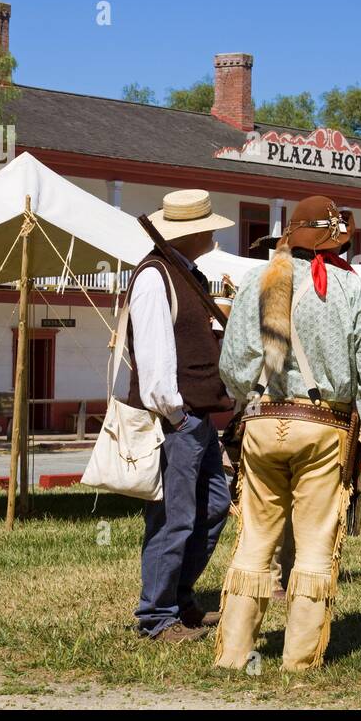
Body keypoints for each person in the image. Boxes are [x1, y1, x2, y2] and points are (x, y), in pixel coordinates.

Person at [214, 196, 361, 671]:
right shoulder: (350, 289)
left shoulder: (256, 280)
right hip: (323, 429)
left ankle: (234, 654)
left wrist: (250, 395)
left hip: (260, 423)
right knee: (315, 543)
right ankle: (298, 660)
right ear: (334, 239)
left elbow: (233, 367)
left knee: (255, 540)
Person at [128, 189, 237, 643]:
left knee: (212, 508)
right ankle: (156, 615)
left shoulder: (185, 273)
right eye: (207, 226)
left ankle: (180, 598)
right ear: (190, 232)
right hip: (178, 419)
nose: (212, 232)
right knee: (173, 518)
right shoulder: (155, 277)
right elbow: (154, 360)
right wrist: (176, 417)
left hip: (197, 420)